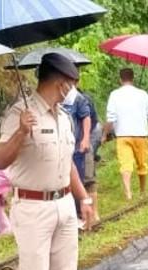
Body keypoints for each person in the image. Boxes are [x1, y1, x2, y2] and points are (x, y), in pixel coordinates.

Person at [0, 52, 97, 270]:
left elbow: (67, 166)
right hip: (32, 205)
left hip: (64, 202)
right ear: (60, 83)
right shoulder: (20, 114)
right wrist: (21, 132)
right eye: (70, 84)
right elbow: (0, 159)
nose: (72, 90)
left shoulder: (63, 117)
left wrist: (86, 201)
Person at [103, 68, 148, 201]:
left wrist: (105, 134)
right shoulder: (143, 94)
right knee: (142, 164)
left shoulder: (114, 94)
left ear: (120, 79)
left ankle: (128, 194)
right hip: (140, 135)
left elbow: (110, 118)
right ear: (133, 78)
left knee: (125, 165)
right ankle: (143, 191)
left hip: (122, 136)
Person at [61, 83, 99, 228]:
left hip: (76, 148)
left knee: (79, 181)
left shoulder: (78, 98)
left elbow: (87, 118)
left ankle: (81, 216)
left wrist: (85, 139)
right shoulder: (54, 100)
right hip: (60, 149)